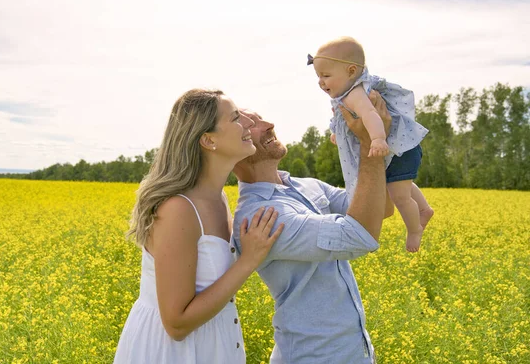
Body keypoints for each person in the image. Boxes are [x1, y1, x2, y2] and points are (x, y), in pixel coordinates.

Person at [114, 89, 284, 364]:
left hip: (214, 345)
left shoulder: (218, 199)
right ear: (208, 140)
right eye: (236, 118)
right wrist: (248, 260)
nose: (249, 125)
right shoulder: (178, 209)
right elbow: (176, 324)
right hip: (172, 353)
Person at [231, 91, 392, 363]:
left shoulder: (307, 185)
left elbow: (382, 208)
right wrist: (369, 143)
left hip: (357, 353)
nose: (269, 124)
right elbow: (360, 236)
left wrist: (365, 138)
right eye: (251, 124)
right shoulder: (259, 215)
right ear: (235, 146)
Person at [308, 36, 434, 252]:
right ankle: (423, 209)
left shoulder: (356, 93)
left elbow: (370, 115)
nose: (321, 82)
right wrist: (337, 133)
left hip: (395, 148)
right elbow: (344, 119)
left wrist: (377, 139)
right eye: (318, 76)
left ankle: (414, 230)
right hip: (400, 149)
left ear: (351, 71)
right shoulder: (346, 95)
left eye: (326, 75)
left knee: (399, 196)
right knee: (398, 183)